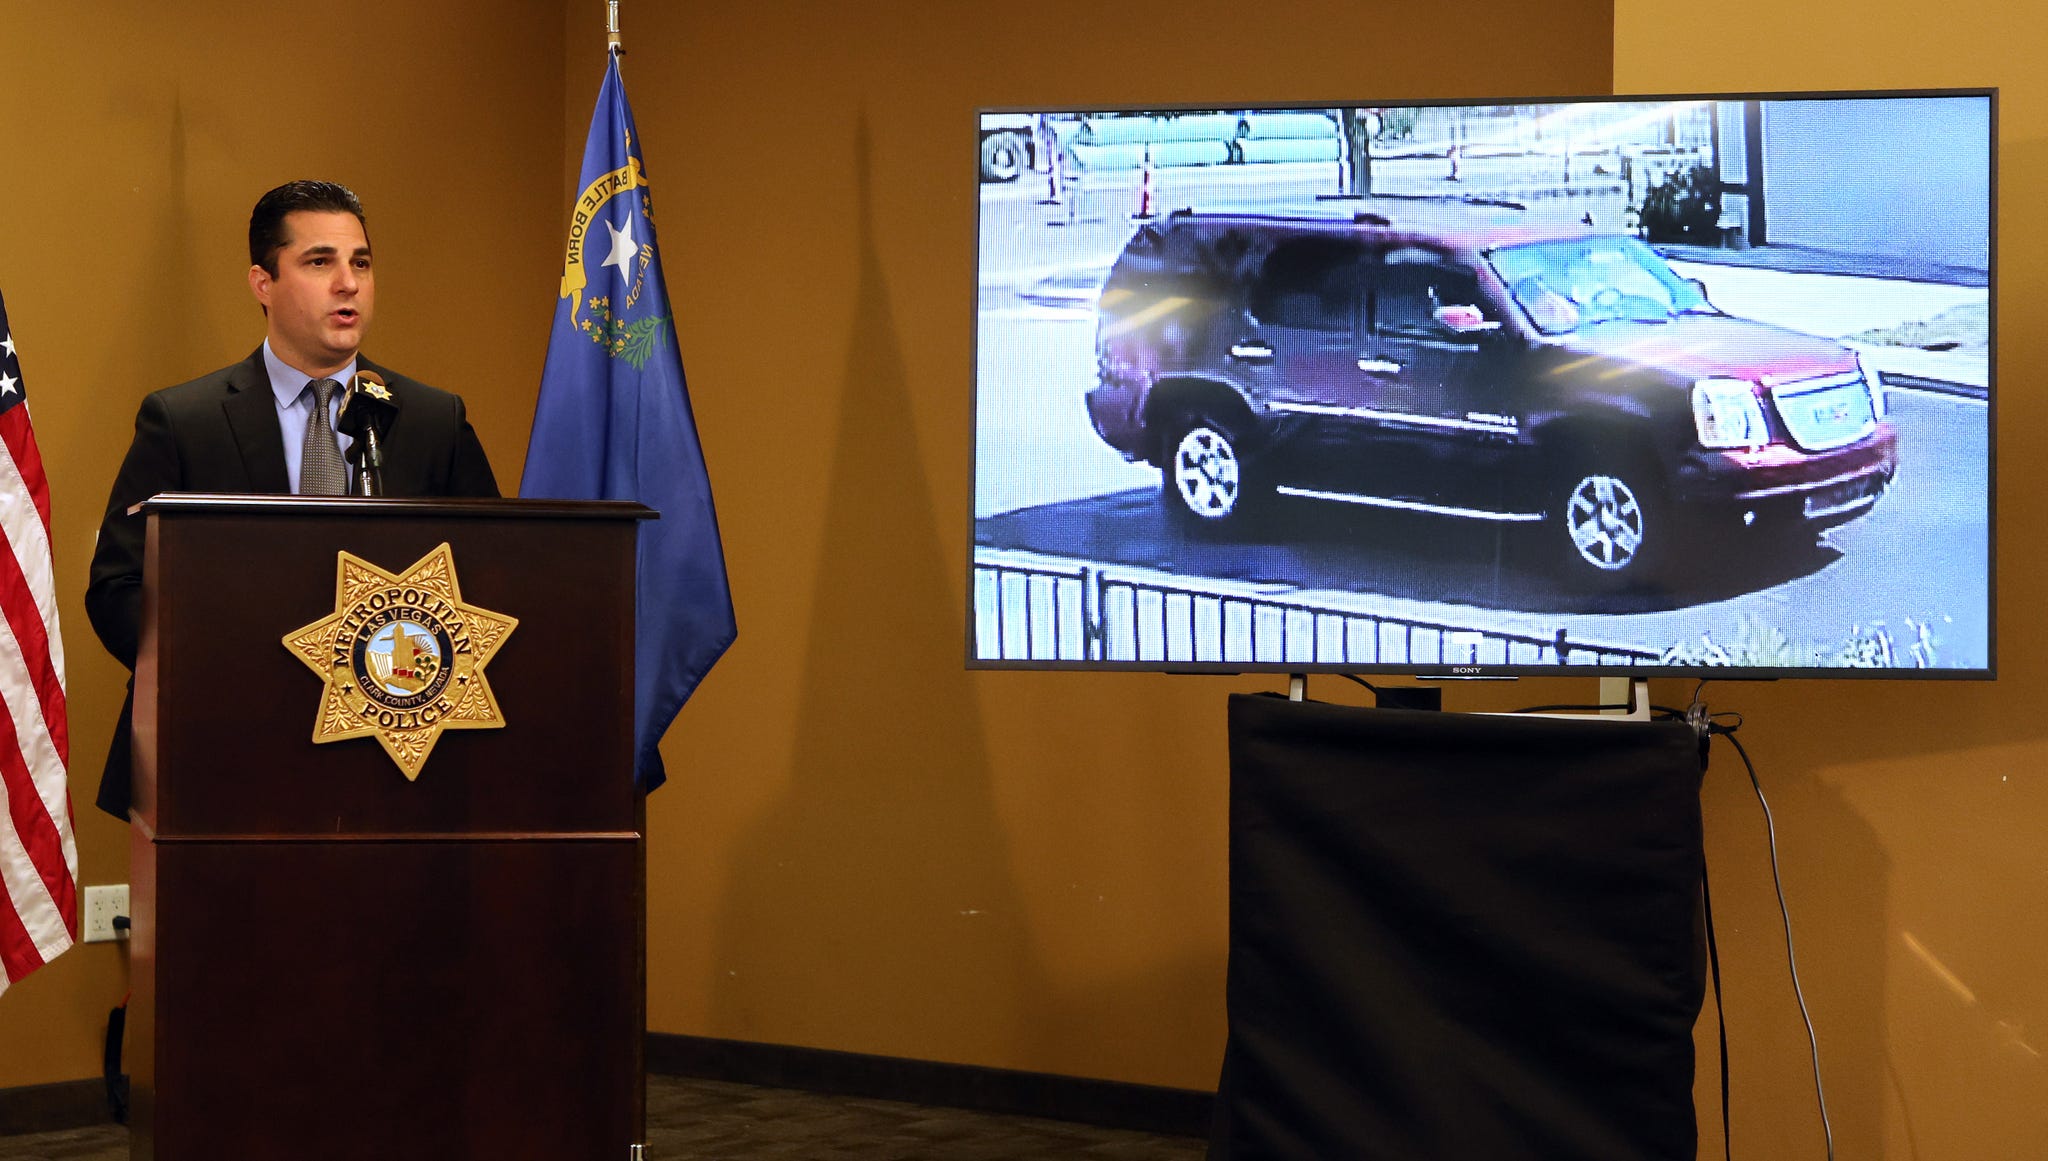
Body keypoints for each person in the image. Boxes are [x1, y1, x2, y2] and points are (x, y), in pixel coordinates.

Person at [84, 180, 500, 819]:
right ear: (262, 283)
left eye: (360, 262)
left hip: (396, 762)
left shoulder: (431, 419)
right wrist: (227, 665)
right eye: (319, 262)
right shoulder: (184, 420)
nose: (348, 283)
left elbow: (486, 580)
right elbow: (119, 588)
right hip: (223, 757)